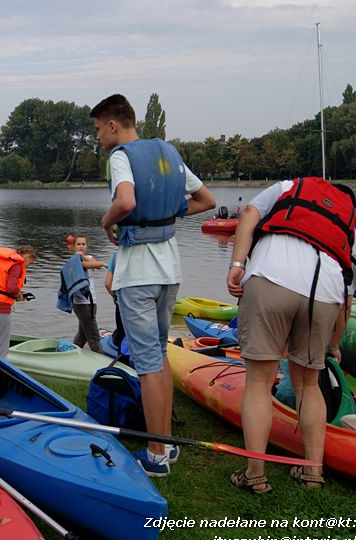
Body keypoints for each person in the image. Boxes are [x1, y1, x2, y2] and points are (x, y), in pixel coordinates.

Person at [91, 94, 216, 476]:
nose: (97, 137)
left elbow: (126, 202)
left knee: (147, 364)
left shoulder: (120, 157)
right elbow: (206, 200)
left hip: (139, 275)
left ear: (113, 124)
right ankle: (166, 443)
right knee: (158, 358)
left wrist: (106, 222)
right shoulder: (168, 153)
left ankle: (156, 455)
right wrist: (169, 214)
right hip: (169, 270)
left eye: (98, 130)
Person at [227, 177, 355, 493]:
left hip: (272, 277)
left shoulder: (289, 186)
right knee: (308, 383)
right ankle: (312, 472)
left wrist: (237, 263)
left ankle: (255, 474)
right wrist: (333, 345)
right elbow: (347, 297)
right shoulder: (346, 219)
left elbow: (250, 214)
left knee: (259, 381)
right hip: (325, 293)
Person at [0, 245, 36, 358]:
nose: (27, 265)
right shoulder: (16, 264)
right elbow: (11, 289)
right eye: (30, 263)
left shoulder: (0, 259)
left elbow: (0, 284)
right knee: (1, 347)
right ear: (28, 256)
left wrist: (18, 293)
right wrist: (19, 296)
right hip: (0, 307)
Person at [70, 234, 106, 352]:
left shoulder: (88, 257)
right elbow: (87, 265)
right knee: (94, 335)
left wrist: (85, 257)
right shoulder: (74, 260)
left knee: (82, 334)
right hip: (81, 303)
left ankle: (71, 353)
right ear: (74, 247)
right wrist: (103, 263)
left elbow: (95, 264)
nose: (81, 246)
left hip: (92, 300)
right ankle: (100, 358)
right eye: (78, 244)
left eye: (83, 244)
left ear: (87, 246)